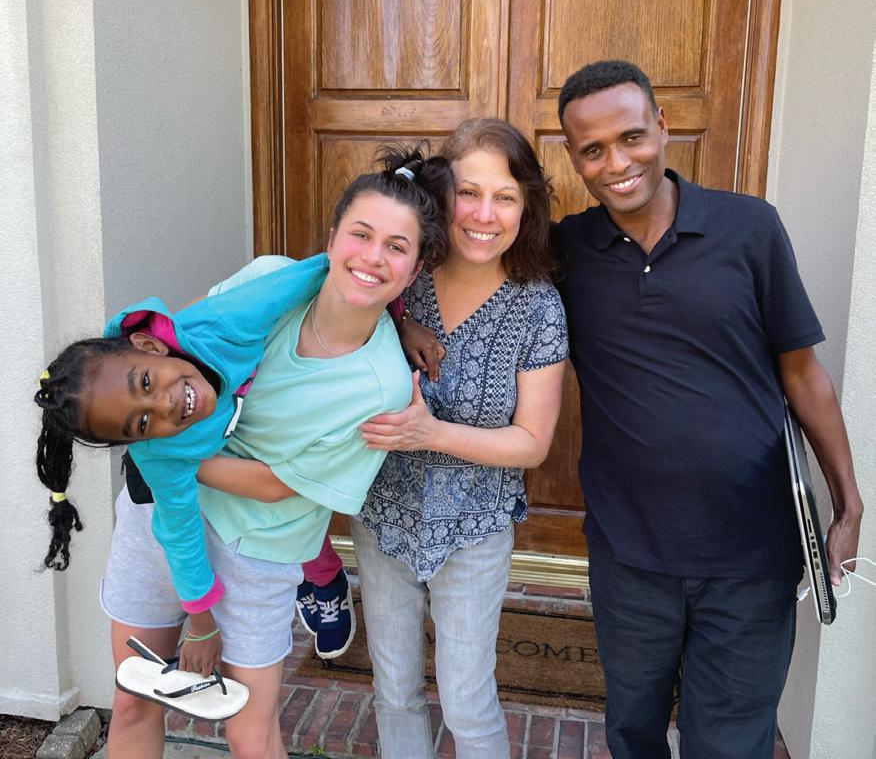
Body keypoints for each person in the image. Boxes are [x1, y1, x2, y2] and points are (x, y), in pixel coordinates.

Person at [34, 145, 452, 759]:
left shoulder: (382, 384)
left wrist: (165, 457)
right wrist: (162, 462)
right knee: (133, 701)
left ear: (414, 270)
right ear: (332, 239)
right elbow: (179, 344)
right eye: (360, 234)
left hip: (258, 547)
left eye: (397, 247)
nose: (372, 255)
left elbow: (277, 485)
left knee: (251, 732)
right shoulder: (267, 284)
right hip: (162, 523)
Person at [549, 60, 863, 759]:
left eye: (631, 137)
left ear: (662, 127)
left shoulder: (749, 228)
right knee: (633, 730)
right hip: (629, 554)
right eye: (593, 150)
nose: (616, 163)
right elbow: (467, 261)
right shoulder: (568, 251)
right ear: (572, 157)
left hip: (752, 552)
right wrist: (404, 319)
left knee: (729, 742)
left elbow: (803, 375)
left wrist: (848, 502)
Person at [354, 118, 569, 759]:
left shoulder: (538, 307)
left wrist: (431, 433)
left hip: (475, 529)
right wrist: (395, 325)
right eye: (468, 193)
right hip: (383, 517)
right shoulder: (400, 273)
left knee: (467, 702)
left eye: (504, 197)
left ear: (526, 207)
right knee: (394, 690)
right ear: (439, 195)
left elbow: (532, 442)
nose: (483, 214)